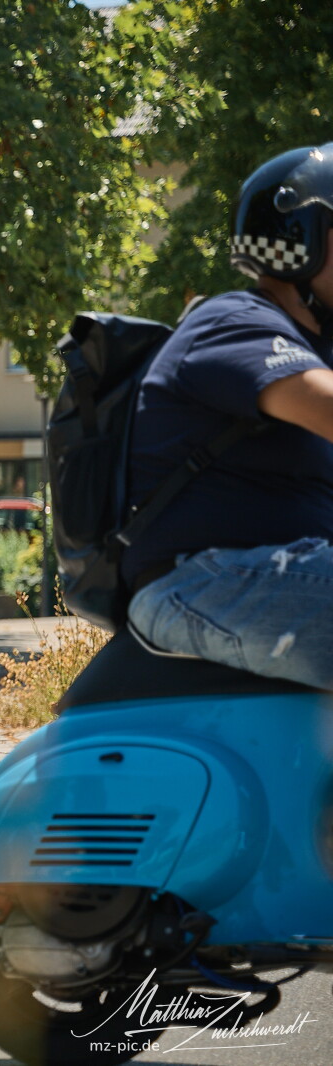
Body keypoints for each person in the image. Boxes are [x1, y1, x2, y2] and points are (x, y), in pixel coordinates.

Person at [123, 143, 333, 689]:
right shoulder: (235, 322)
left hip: (267, 571)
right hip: (198, 581)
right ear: (302, 243)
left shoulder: (315, 350)